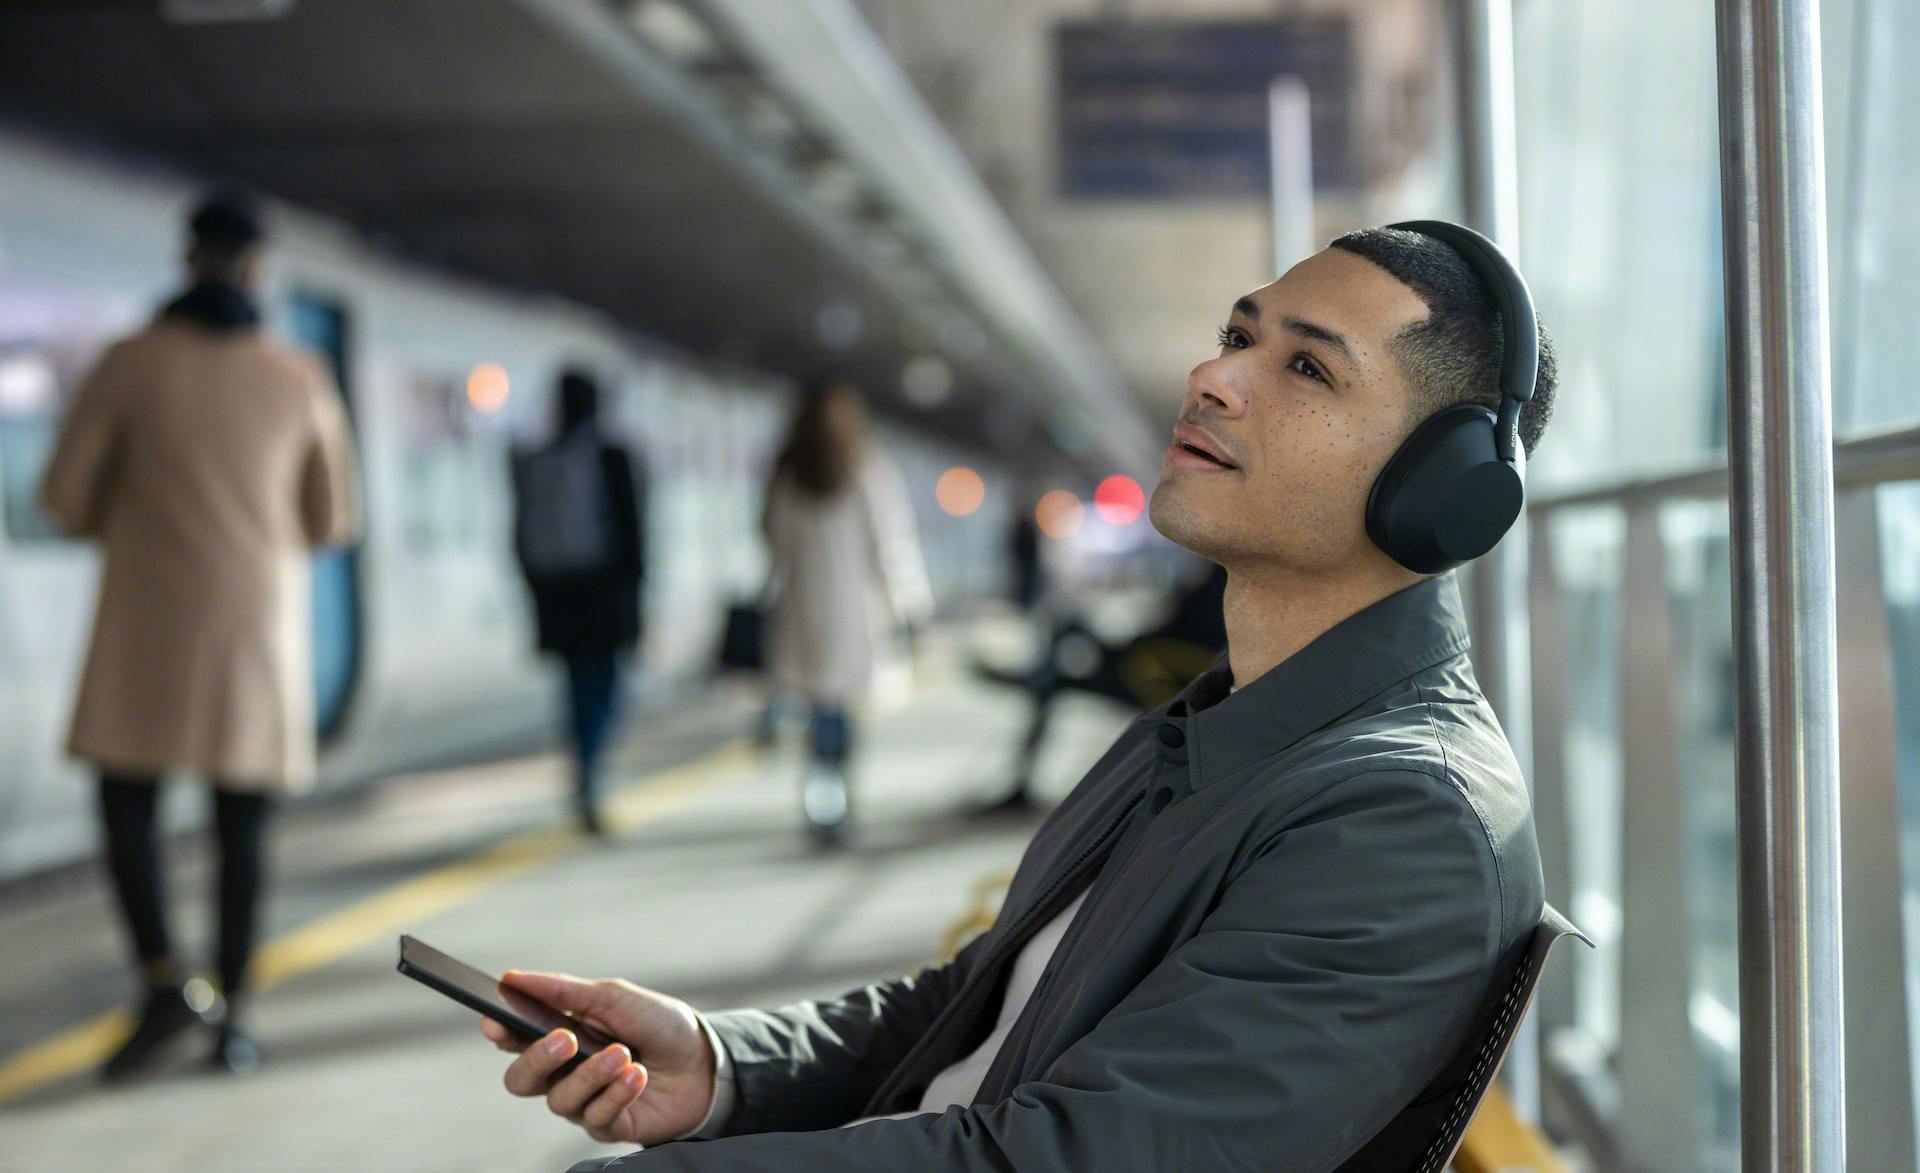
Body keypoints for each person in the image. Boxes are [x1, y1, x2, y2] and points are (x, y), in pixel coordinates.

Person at [479, 222, 1559, 1169]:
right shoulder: (1212, 727)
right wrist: (724, 1067)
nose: (1213, 376)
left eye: (1309, 369)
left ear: (1445, 493)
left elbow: (1068, 1161)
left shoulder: (1403, 823)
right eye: (1237, 336)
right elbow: (981, 1006)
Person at [40, 189, 360, 1078]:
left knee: (127, 806)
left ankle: (162, 983)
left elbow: (63, 496)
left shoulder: (129, 363)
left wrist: (137, 520)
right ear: (259, 269)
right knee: (242, 828)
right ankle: (237, 1018)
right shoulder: (297, 376)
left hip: (144, 622)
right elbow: (332, 519)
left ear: (186, 258)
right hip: (254, 632)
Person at [759, 380, 931, 845]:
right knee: (844, 711)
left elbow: (773, 541)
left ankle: (822, 796)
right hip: (855, 611)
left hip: (801, 609)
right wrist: (911, 607)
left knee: (818, 709)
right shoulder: (866, 466)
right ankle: (836, 799)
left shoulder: (787, 472)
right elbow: (891, 544)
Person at [511, 369, 648, 836]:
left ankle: (585, 773)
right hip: (604, 597)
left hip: (561, 600)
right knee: (605, 693)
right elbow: (635, 540)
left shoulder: (538, 460)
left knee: (576, 692)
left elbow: (520, 539)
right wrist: (637, 610)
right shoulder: (612, 457)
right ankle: (591, 774)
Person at [974, 560, 1227, 812]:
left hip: (1157, 676)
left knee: (1057, 677)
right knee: (1065, 643)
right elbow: (1175, 632)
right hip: (1147, 664)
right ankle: (1035, 679)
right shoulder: (1215, 577)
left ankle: (1032, 680)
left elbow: (1195, 644)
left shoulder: (1224, 580)